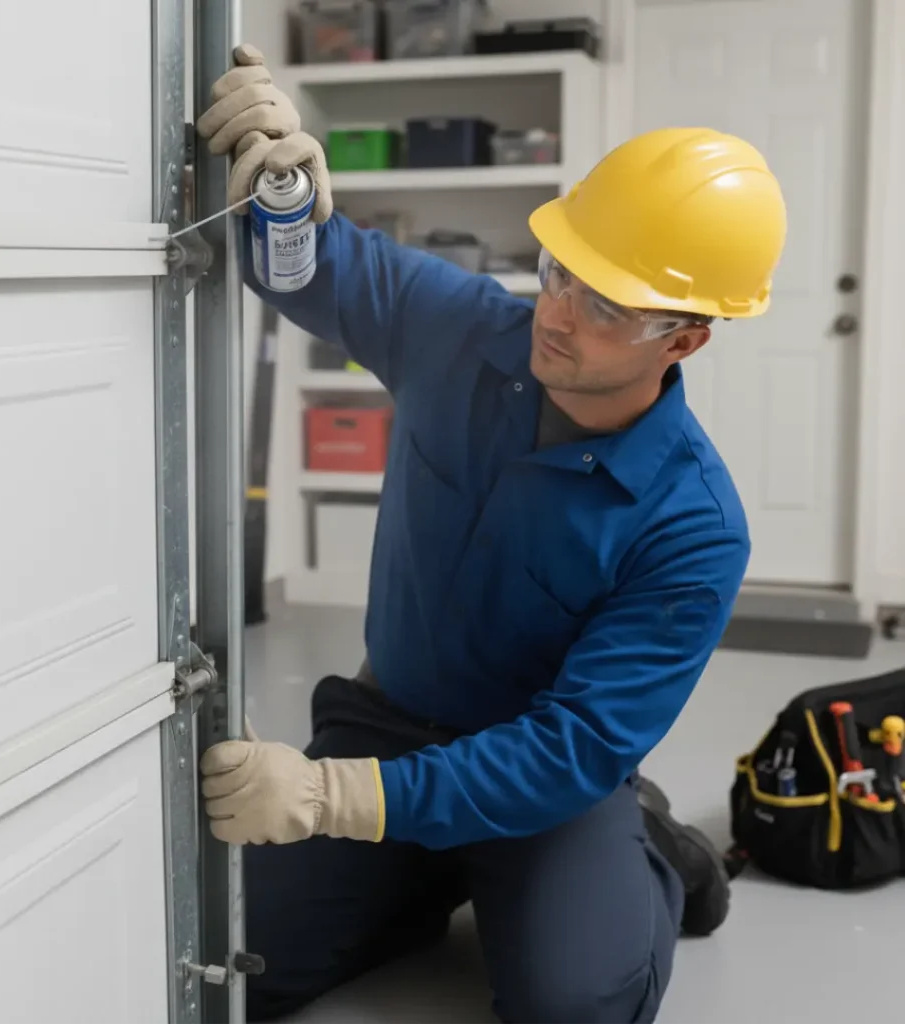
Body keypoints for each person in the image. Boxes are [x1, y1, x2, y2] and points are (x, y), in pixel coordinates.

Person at [195, 45, 787, 1024]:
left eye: (604, 305)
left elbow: (568, 746)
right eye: (559, 270)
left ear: (683, 338)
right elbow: (313, 271)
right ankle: (425, 867)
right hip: (390, 723)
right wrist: (285, 196)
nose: (555, 314)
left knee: (572, 1005)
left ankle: (643, 845)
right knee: (243, 957)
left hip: (543, 769)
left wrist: (328, 799)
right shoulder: (463, 328)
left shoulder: (692, 525)